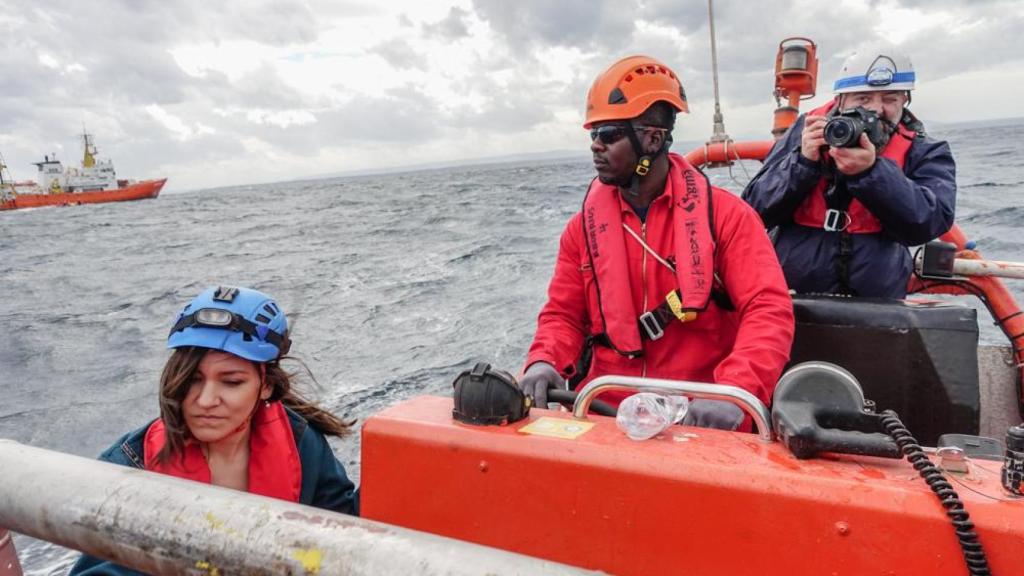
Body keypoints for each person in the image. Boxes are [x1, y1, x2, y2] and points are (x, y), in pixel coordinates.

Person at [519, 55, 795, 432]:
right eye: (592, 135)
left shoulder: (728, 218)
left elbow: (768, 310)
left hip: (703, 415)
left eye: (609, 134)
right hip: (602, 409)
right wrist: (544, 361)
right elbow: (563, 316)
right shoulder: (580, 230)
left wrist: (736, 390)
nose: (595, 147)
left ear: (652, 138)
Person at [70, 286, 358, 575]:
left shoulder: (302, 443)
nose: (206, 401)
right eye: (193, 379)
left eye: (231, 382)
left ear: (266, 386)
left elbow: (349, 538)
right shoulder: (128, 469)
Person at [741, 46, 956, 298]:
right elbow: (753, 211)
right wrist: (802, 163)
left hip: (876, 302)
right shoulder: (806, 132)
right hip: (793, 296)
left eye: (889, 99)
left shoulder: (925, 150)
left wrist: (870, 174)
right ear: (840, 100)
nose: (875, 110)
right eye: (862, 99)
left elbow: (927, 225)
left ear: (904, 101)